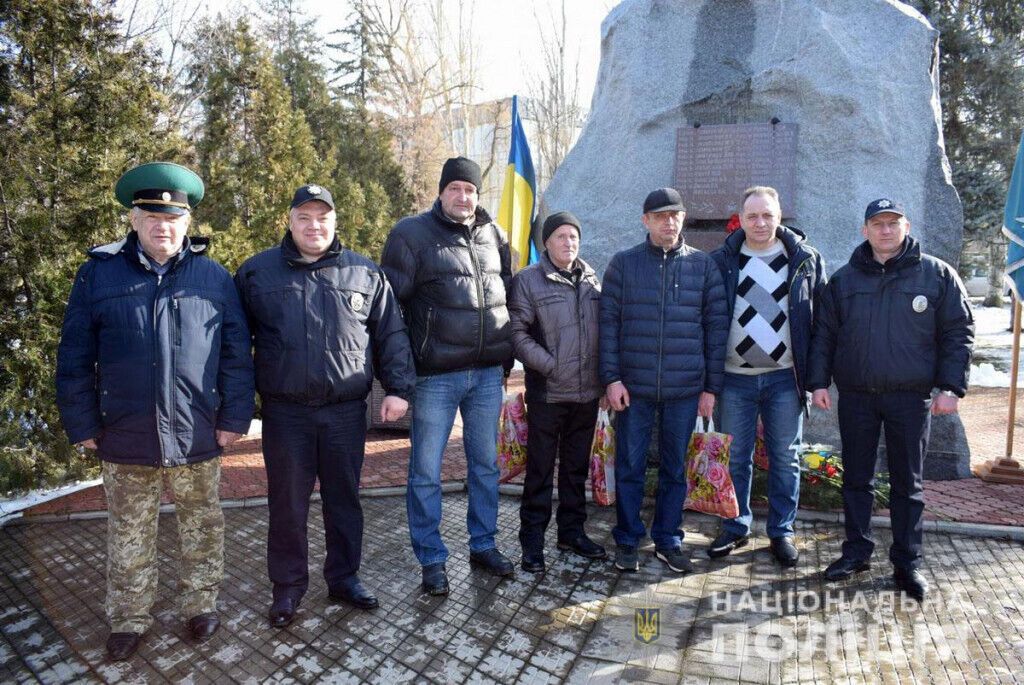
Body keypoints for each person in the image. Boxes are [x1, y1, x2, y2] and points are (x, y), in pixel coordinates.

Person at [56, 162, 254, 660]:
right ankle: (128, 616)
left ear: (187, 223)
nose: (163, 227)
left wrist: (233, 418)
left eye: (173, 218)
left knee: (203, 526)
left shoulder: (213, 276)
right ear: (133, 220)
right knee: (127, 533)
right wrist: (81, 423)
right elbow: (75, 356)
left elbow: (235, 354)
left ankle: (200, 605)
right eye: (152, 216)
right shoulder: (98, 275)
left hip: (196, 432)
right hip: (125, 434)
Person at [235, 184, 415, 626]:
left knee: (344, 500)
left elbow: (391, 333)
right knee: (288, 504)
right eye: (304, 217)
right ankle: (288, 588)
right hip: (286, 413)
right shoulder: (257, 273)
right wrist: (236, 408)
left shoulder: (364, 273)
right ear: (290, 221)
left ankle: (344, 578)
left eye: (322, 217)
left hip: (343, 412)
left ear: (335, 222)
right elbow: (235, 345)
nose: (314, 226)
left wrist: (398, 388)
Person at [807, 198, 974, 601]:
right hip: (858, 398)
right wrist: (817, 384)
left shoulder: (936, 275)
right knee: (857, 480)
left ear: (906, 226)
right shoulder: (844, 281)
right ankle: (857, 551)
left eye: (892, 223)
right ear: (864, 229)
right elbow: (824, 335)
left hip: (910, 399)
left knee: (907, 484)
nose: (885, 230)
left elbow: (958, 331)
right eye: (877, 224)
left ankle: (907, 562)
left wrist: (951, 388)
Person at [381, 156, 515, 596]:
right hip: (435, 377)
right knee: (425, 471)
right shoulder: (411, 235)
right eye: (455, 188)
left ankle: (483, 544)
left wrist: (505, 360)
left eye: (470, 190)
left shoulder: (494, 235)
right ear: (441, 192)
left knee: (486, 466)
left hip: (486, 376)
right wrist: (400, 376)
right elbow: (389, 312)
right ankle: (432, 558)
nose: (463, 196)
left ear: (479, 195)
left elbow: (507, 301)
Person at [599, 187, 729, 574]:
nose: (668, 221)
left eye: (675, 215)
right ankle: (627, 537)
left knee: (675, 468)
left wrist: (711, 389)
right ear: (646, 221)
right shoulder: (623, 265)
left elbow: (715, 329)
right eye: (660, 216)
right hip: (633, 390)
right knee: (630, 465)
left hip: (685, 389)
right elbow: (608, 326)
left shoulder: (703, 267)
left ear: (683, 219)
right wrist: (612, 379)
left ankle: (668, 538)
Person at [707, 186, 828, 566]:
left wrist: (818, 379)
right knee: (736, 457)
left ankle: (781, 531)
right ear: (740, 219)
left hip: (784, 379)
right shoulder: (722, 260)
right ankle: (735, 525)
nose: (760, 222)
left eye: (767, 215)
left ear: (780, 217)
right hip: (733, 380)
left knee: (785, 457)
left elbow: (823, 323)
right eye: (752, 216)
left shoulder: (805, 260)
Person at [508, 211, 607, 573]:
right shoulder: (528, 281)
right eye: (562, 236)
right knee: (539, 472)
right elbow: (516, 334)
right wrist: (550, 366)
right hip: (548, 393)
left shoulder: (592, 278)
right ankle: (532, 544)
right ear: (546, 242)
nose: (569, 243)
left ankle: (572, 533)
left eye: (574, 237)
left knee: (575, 470)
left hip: (586, 395)